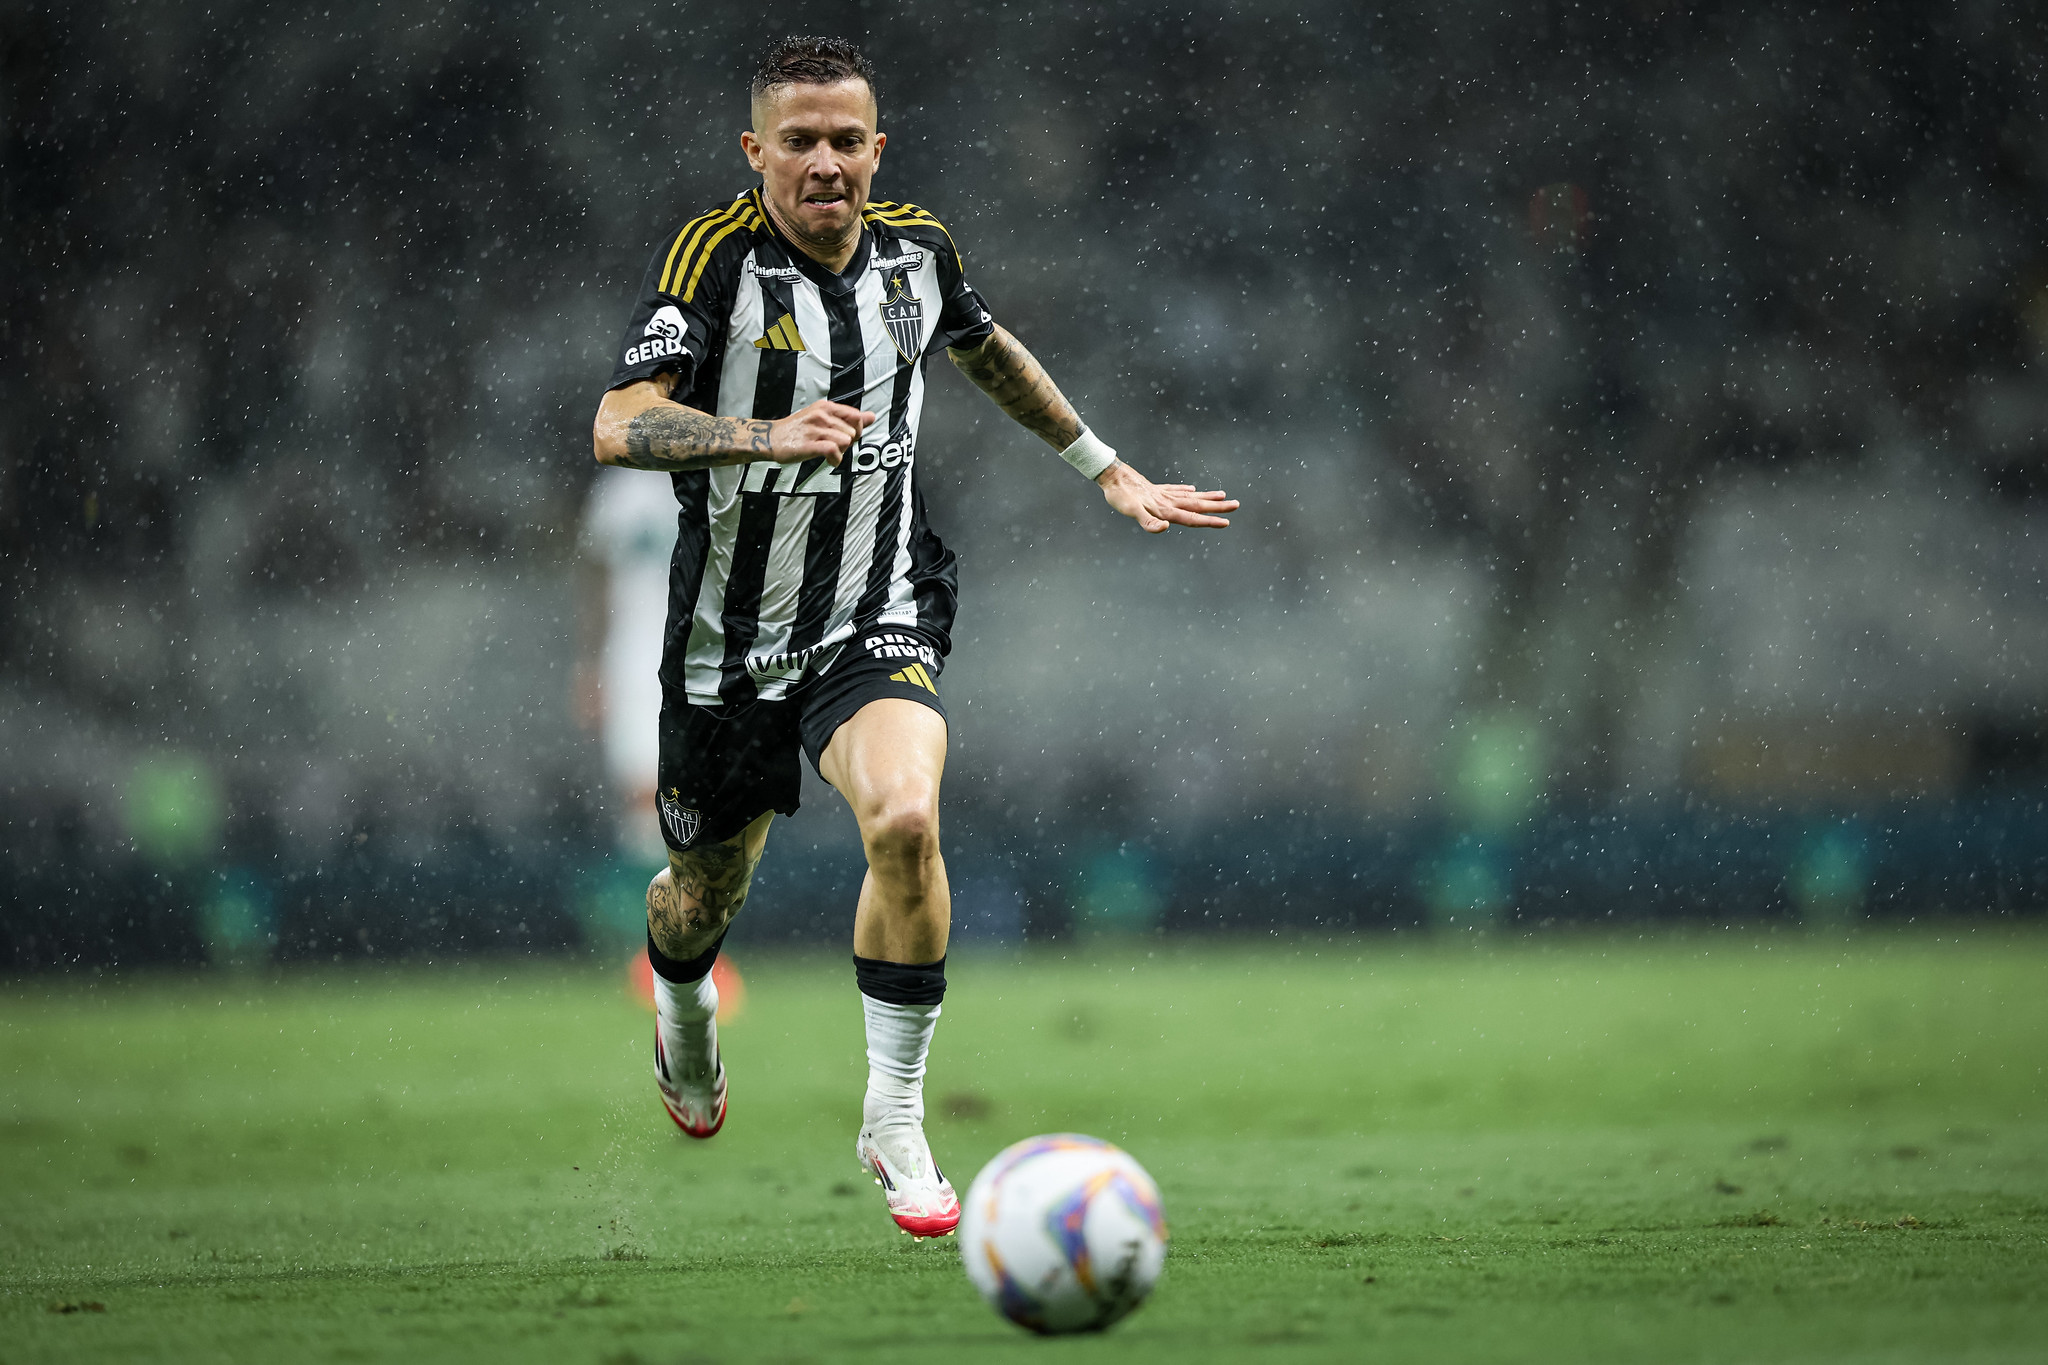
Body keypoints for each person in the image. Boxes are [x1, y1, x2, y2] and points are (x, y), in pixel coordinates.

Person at [589, 35, 1236, 1239]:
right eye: (799, 141)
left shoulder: (917, 253)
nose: (824, 162)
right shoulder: (713, 261)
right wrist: (758, 436)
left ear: (876, 148)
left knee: (903, 816)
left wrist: (1103, 467)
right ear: (755, 152)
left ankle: (892, 1116)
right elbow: (619, 424)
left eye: (846, 140)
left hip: (873, 613)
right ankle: (685, 1014)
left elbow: (985, 349)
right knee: (696, 899)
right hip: (726, 649)